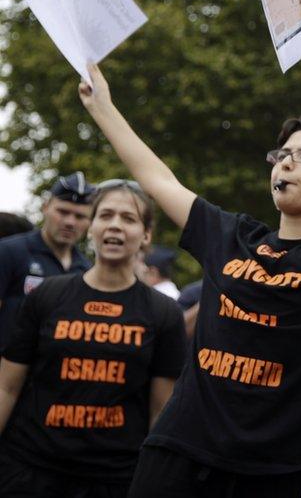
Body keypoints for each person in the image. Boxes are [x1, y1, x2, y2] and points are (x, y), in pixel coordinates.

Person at [77, 65, 301, 497]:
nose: (285, 162)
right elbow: (158, 179)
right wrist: (102, 106)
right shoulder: (232, 236)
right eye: (281, 154)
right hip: (179, 453)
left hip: (274, 471)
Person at [0, 181, 185, 497]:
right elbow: (7, 386)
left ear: (146, 235)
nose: (115, 224)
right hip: (30, 470)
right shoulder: (48, 295)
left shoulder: (163, 312)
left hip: (113, 478)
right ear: (92, 227)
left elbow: (161, 411)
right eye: (106, 215)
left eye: (128, 218)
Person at [0, 173, 94, 351]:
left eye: (80, 216)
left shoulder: (86, 269)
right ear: (45, 207)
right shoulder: (9, 252)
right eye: (63, 212)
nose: (70, 222)